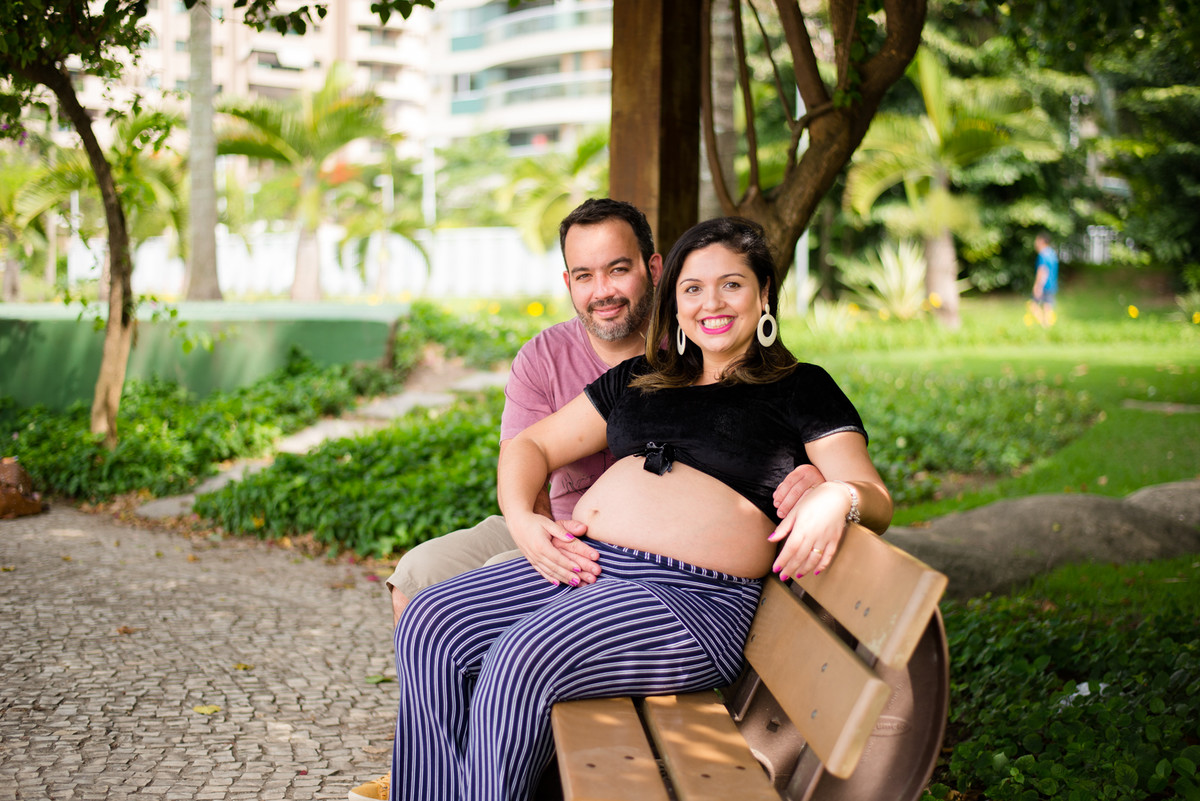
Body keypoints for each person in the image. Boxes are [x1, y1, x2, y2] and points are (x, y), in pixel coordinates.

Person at [386, 217, 892, 801]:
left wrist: (838, 494)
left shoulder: (799, 387)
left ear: (764, 293)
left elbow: (871, 494)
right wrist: (524, 521)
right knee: (430, 624)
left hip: (689, 599)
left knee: (518, 660)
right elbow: (531, 445)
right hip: (588, 566)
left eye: (731, 284)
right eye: (693, 289)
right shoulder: (640, 378)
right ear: (673, 301)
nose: (712, 304)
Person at [1031, 232, 1059, 327]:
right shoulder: (1052, 253)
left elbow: (1042, 271)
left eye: (1037, 240)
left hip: (1044, 285)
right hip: (1052, 285)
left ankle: (1043, 325)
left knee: (1033, 306)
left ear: (1042, 241)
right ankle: (1047, 326)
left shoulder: (1043, 254)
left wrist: (1037, 286)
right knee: (1048, 307)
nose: (1035, 243)